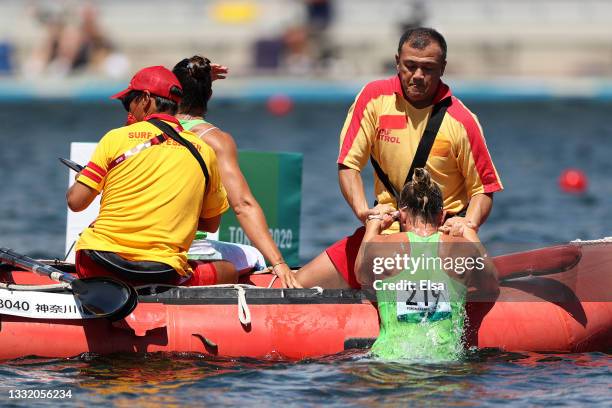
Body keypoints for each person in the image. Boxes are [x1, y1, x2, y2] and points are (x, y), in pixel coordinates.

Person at [296, 27, 503, 289]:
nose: (417, 76)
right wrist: (365, 214)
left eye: (428, 68)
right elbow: (348, 165)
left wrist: (468, 224)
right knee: (298, 286)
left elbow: (483, 189)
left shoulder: (463, 120)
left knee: (478, 284)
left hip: (440, 239)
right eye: (410, 66)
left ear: (443, 68)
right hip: (385, 232)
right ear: (397, 62)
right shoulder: (373, 98)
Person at [66, 65, 237, 286]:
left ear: (146, 99)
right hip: (160, 272)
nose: (128, 110)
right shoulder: (204, 150)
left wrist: (87, 177)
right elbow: (211, 224)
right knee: (228, 271)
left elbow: (75, 201)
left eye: (129, 102)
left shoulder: (115, 138)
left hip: (98, 263)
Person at [172, 55, 301, 288]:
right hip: (188, 249)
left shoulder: (145, 126)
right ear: (209, 96)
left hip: (142, 244)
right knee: (256, 258)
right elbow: (242, 205)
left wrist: (192, 81)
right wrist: (279, 263)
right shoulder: (215, 140)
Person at [354, 168, 498, 360]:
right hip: (447, 365)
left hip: (390, 364)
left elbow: (360, 274)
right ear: (442, 215)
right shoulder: (462, 249)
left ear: (402, 215)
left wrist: (373, 225)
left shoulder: (383, 247)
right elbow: (491, 282)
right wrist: (468, 232)